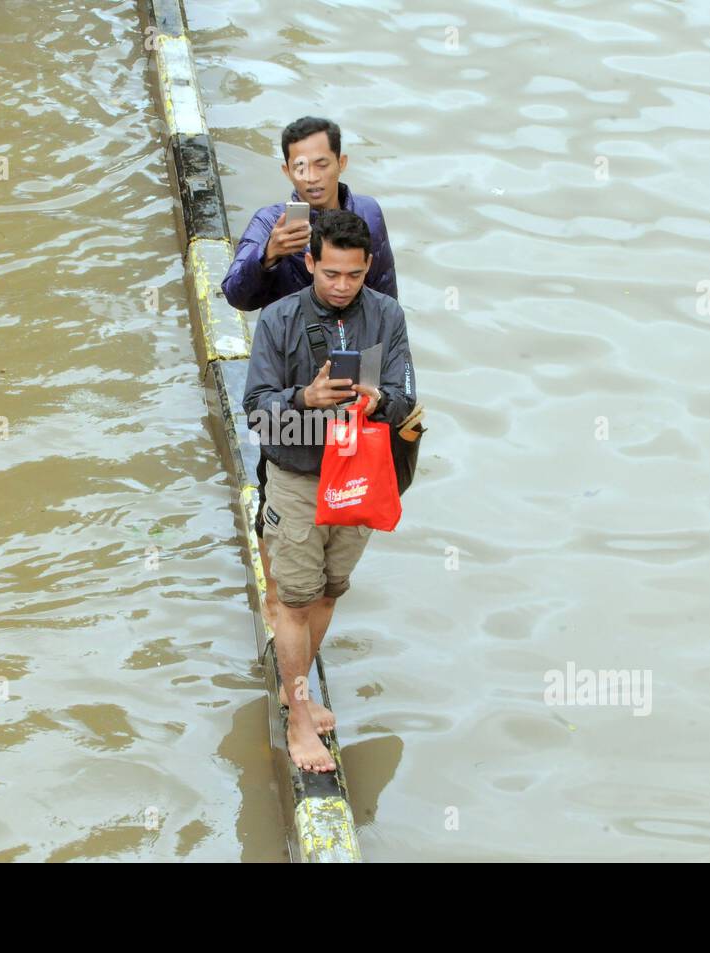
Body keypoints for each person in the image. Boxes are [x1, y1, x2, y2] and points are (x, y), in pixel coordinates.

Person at [242, 210, 415, 773]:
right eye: (331, 273)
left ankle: (302, 693)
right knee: (293, 599)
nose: (342, 286)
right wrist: (302, 400)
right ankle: (297, 716)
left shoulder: (388, 315)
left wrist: (378, 402)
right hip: (297, 473)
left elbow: (405, 394)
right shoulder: (277, 318)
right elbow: (256, 410)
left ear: (369, 269)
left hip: (361, 469)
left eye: (355, 275)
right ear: (310, 262)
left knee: (328, 592)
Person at [222, 116, 399, 631]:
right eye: (300, 166)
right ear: (286, 170)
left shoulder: (366, 214)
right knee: (278, 467)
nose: (312, 176)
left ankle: (313, 590)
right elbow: (236, 293)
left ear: (341, 164)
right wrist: (270, 255)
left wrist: (388, 378)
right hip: (288, 374)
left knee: (348, 478)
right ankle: (279, 594)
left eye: (321, 163)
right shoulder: (271, 222)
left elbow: (386, 293)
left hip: (351, 372)